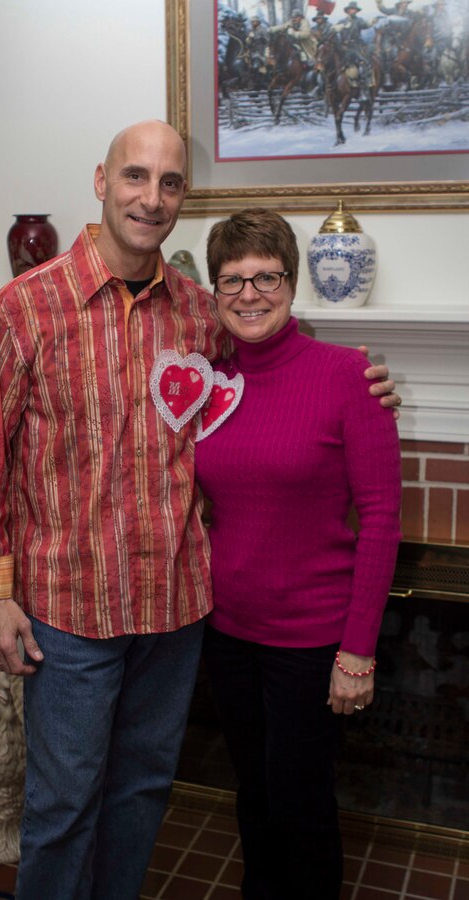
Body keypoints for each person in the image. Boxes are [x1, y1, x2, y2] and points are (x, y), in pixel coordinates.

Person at [0, 121, 400, 900]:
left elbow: (271, 356)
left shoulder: (197, 311)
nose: (152, 199)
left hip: (177, 610)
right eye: (135, 177)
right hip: (68, 611)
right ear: (101, 180)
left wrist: (356, 377)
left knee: (142, 792)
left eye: (171, 183)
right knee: (61, 806)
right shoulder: (22, 308)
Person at [195, 208, 402, 900]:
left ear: (291, 282)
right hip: (227, 635)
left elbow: (381, 519)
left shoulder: (350, 377)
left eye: (266, 277)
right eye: (233, 280)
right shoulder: (207, 385)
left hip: (312, 643)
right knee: (253, 796)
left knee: (301, 806)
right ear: (215, 290)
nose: (249, 295)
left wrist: (357, 652)